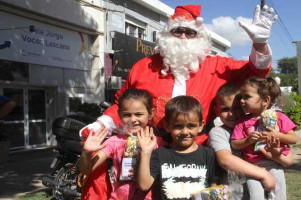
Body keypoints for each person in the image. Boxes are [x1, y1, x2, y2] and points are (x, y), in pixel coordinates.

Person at [80, 4, 278, 198]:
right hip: (150, 151)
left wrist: (259, 44)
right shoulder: (143, 67)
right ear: (167, 35)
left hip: (198, 154)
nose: (183, 37)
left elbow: (256, 73)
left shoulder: (217, 66)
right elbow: (123, 104)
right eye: (177, 31)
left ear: (199, 37)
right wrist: (100, 124)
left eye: (190, 33)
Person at [79, 89, 164, 200]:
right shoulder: (115, 141)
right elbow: (86, 170)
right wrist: (86, 152)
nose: (133, 119)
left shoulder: (159, 143)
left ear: (151, 113)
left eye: (139, 114)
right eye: (127, 115)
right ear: (119, 114)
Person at [137, 96, 219, 199]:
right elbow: (144, 185)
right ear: (167, 126)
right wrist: (145, 152)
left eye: (191, 126)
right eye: (178, 126)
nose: (185, 132)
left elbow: (213, 186)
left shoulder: (209, 154)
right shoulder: (159, 155)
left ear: (201, 125)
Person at [231, 77, 298, 200]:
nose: (241, 101)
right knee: (256, 197)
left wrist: (278, 135)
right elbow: (235, 143)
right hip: (252, 167)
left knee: (279, 196)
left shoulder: (280, 117)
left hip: (274, 165)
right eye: (241, 97)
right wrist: (248, 141)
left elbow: (294, 139)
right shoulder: (242, 122)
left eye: (247, 97)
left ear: (265, 100)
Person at [208, 82, 276, 199]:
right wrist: (263, 174)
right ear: (216, 110)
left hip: (262, 191)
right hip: (235, 195)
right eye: (225, 109)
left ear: (245, 106)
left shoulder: (258, 126)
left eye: (237, 108)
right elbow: (225, 160)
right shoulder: (218, 132)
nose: (232, 113)